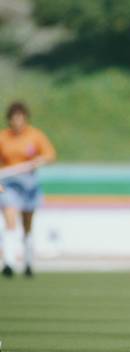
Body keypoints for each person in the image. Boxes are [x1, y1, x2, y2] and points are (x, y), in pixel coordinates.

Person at [0, 102, 56, 278]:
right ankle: (8, 262)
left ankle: (28, 262)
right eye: (13, 118)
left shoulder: (35, 135)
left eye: (20, 118)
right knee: (10, 220)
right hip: (9, 184)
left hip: (29, 185)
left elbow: (50, 155)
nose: (17, 122)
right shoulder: (3, 137)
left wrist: (38, 161)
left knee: (27, 224)